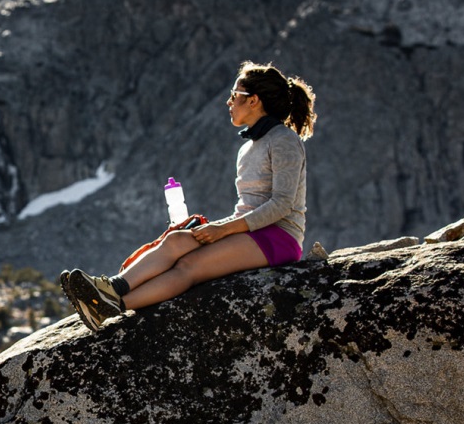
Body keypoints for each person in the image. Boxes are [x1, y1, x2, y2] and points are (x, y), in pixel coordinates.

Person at [61, 61, 316, 331]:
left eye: (234, 95)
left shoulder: (283, 140)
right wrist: (214, 228)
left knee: (189, 265)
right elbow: (248, 207)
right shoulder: (248, 148)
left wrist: (223, 229)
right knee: (177, 240)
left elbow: (281, 204)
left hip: (279, 237)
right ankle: (112, 288)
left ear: (253, 100)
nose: (228, 102)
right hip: (250, 232)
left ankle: (112, 307)